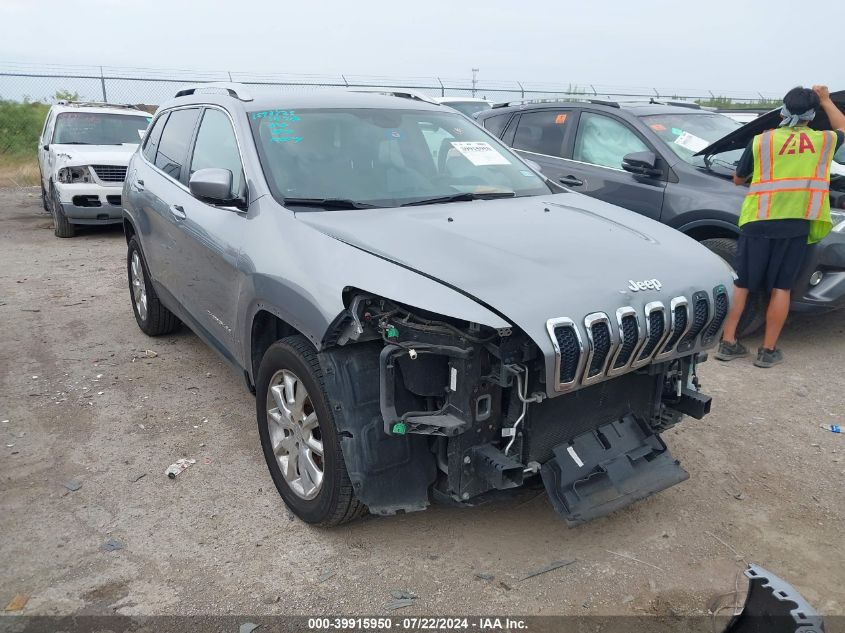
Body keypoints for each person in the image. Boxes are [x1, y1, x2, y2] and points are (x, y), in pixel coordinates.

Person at [716, 85, 845, 367]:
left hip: (758, 221)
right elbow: (843, 125)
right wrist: (825, 99)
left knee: (743, 284)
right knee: (781, 288)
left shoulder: (762, 140)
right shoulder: (823, 142)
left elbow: (739, 179)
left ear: (783, 110)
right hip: (795, 225)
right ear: (812, 115)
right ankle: (768, 351)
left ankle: (727, 343)